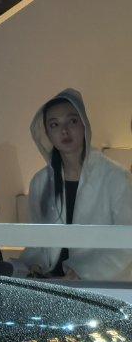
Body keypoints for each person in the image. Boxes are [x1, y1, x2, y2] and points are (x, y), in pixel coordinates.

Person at [8, 89, 132, 283]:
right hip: (51, 282)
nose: (64, 131)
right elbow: (37, 241)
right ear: (47, 133)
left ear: (84, 124)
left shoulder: (116, 177)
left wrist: (81, 274)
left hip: (98, 284)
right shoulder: (40, 182)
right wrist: (34, 265)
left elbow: (126, 243)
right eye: (54, 125)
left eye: (72, 121)